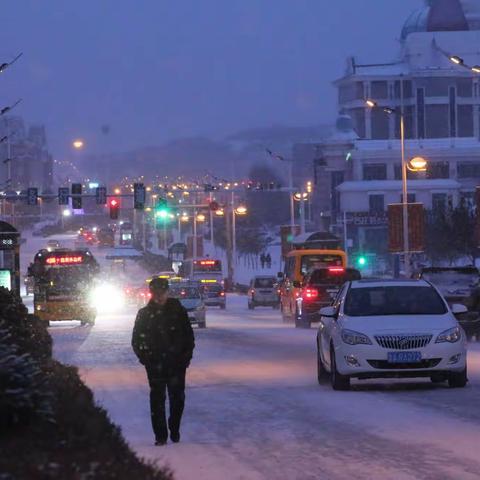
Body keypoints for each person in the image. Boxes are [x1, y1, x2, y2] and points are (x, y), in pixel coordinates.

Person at [132, 277, 195, 446]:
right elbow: (137, 340)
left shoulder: (178, 312)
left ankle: (174, 428)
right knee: (157, 400)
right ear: (151, 294)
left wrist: (185, 358)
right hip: (155, 365)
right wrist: (146, 359)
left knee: (178, 400)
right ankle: (160, 435)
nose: (159, 296)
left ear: (167, 292)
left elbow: (189, 336)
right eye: (155, 293)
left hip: (177, 364)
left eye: (162, 292)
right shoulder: (144, 314)